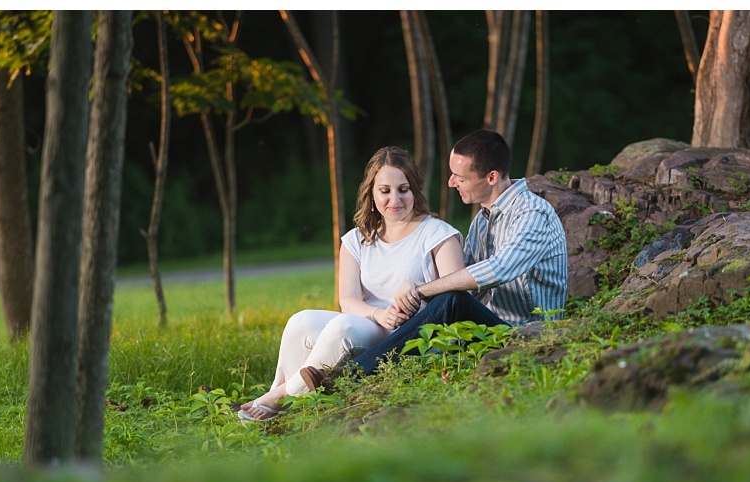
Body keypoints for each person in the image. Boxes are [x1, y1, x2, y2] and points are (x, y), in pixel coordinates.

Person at [307, 128, 568, 382]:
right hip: (493, 329)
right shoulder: (483, 221)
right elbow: (465, 285)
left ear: (491, 177)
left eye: (460, 177)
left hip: (530, 334)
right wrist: (412, 302)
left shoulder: (532, 213)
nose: (451, 182)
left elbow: (497, 270)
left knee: (452, 298)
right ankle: (351, 370)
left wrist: (420, 290)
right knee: (450, 298)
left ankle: (350, 376)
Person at [236, 146, 466, 421]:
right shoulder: (357, 239)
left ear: (415, 190)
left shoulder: (437, 234)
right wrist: (379, 314)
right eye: (385, 191)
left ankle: (280, 397)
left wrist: (415, 294)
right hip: (371, 322)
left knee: (342, 326)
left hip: (409, 333)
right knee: (301, 321)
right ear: (372, 194)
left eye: (403, 189)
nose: (395, 199)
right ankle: (279, 398)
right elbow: (347, 300)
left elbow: (457, 295)